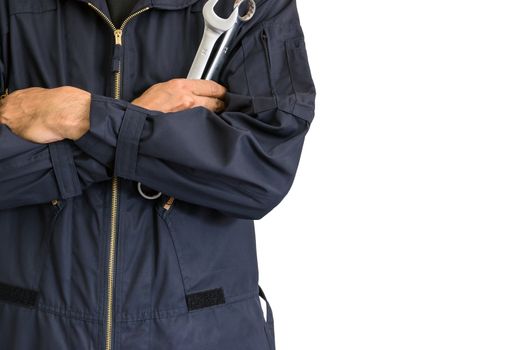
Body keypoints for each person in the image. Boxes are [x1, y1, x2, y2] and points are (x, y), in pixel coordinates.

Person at [0, 0, 315, 348]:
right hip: (30, 333)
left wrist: (83, 116)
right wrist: (140, 126)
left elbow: (260, 172)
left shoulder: (251, 3)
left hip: (203, 336)